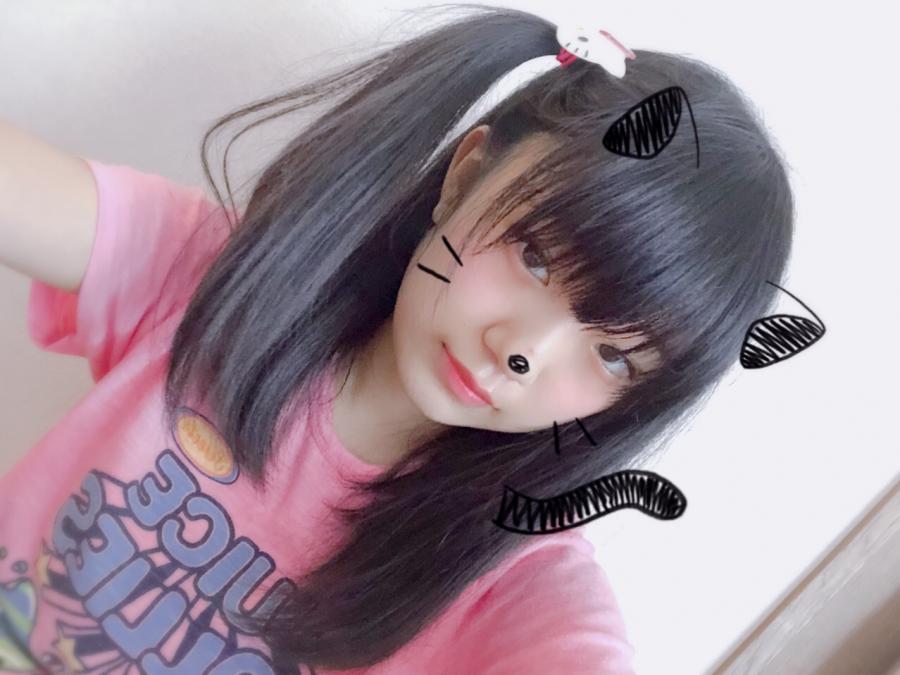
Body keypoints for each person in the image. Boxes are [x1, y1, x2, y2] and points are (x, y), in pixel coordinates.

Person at [0, 4, 794, 674]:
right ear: (467, 175)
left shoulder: (510, 577)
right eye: (535, 256)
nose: (524, 351)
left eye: (614, 354)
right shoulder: (220, 280)